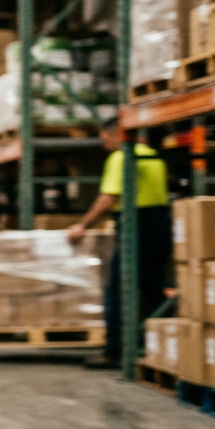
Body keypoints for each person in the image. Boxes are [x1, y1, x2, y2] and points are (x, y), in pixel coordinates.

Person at [65, 118, 171, 370]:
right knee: (152, 289)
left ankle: (114, 350)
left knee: (116, 290)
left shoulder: (121, 157)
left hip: (137, 226)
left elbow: (108, 198)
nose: (104, 144)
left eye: (105, 138)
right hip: (160, 224)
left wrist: (83, 224)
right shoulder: (154, 156)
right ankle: (167, 346)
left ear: (117, 134)